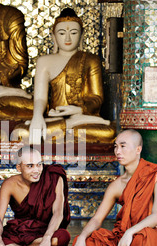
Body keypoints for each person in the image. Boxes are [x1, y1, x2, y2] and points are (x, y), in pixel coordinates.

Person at [71, 129, 157, 246]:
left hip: (148, 237)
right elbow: (97, 219)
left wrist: (130, 232)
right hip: (124, 239)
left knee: (141, 241)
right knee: (85, 243)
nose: (117, 151)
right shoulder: (117, 185)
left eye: (123, 146)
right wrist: (83, 237)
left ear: (138, 149)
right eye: (115, 146)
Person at [20, 8, 115, 145]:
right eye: (62, 33)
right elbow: (40, 97)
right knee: (22, 132)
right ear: (54, 37)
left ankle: (72, 123)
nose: (68, 38)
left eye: (74, 32)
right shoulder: (44, 61)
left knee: (109, 133)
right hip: (54, 118)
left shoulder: (91, 60)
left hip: (83, 117)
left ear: (82, 36)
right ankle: (71, 124)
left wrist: (78, 110)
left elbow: (97, 98)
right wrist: (37, 117)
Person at [0, 146, 71, 246]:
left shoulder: (54, 177)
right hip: (19, 232)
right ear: (19, 167)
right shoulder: (9, 184)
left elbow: (58, 213)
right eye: (30, 166)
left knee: (62, 237)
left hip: (44, 232)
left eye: (39, 164)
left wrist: (47, 238)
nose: (36, 170)